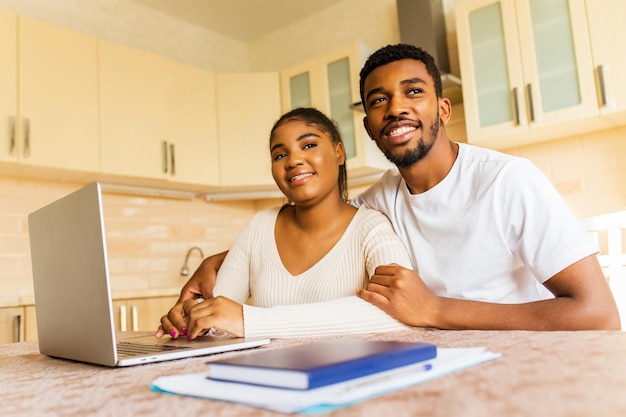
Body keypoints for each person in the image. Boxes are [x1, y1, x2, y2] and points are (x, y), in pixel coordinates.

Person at [163, 44, 621, 331]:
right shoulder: (379, 200)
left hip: (524, 366)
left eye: (413, 92)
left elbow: (598, 314)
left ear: (443, 108)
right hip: (431, 365)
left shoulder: (508, 181)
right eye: (379, 100)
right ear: (368, 127)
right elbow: (316, 230)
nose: (395, 108)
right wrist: (220, 260)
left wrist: (437, 310)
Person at [156, 107, 413, 340]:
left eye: (309, 145)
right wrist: (190, 316)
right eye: (280, 154)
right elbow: (216, 321)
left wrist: (251, 320)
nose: (293, 161)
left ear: (339, 152)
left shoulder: (372, 228)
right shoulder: (259, 226)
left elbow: (398, 313)